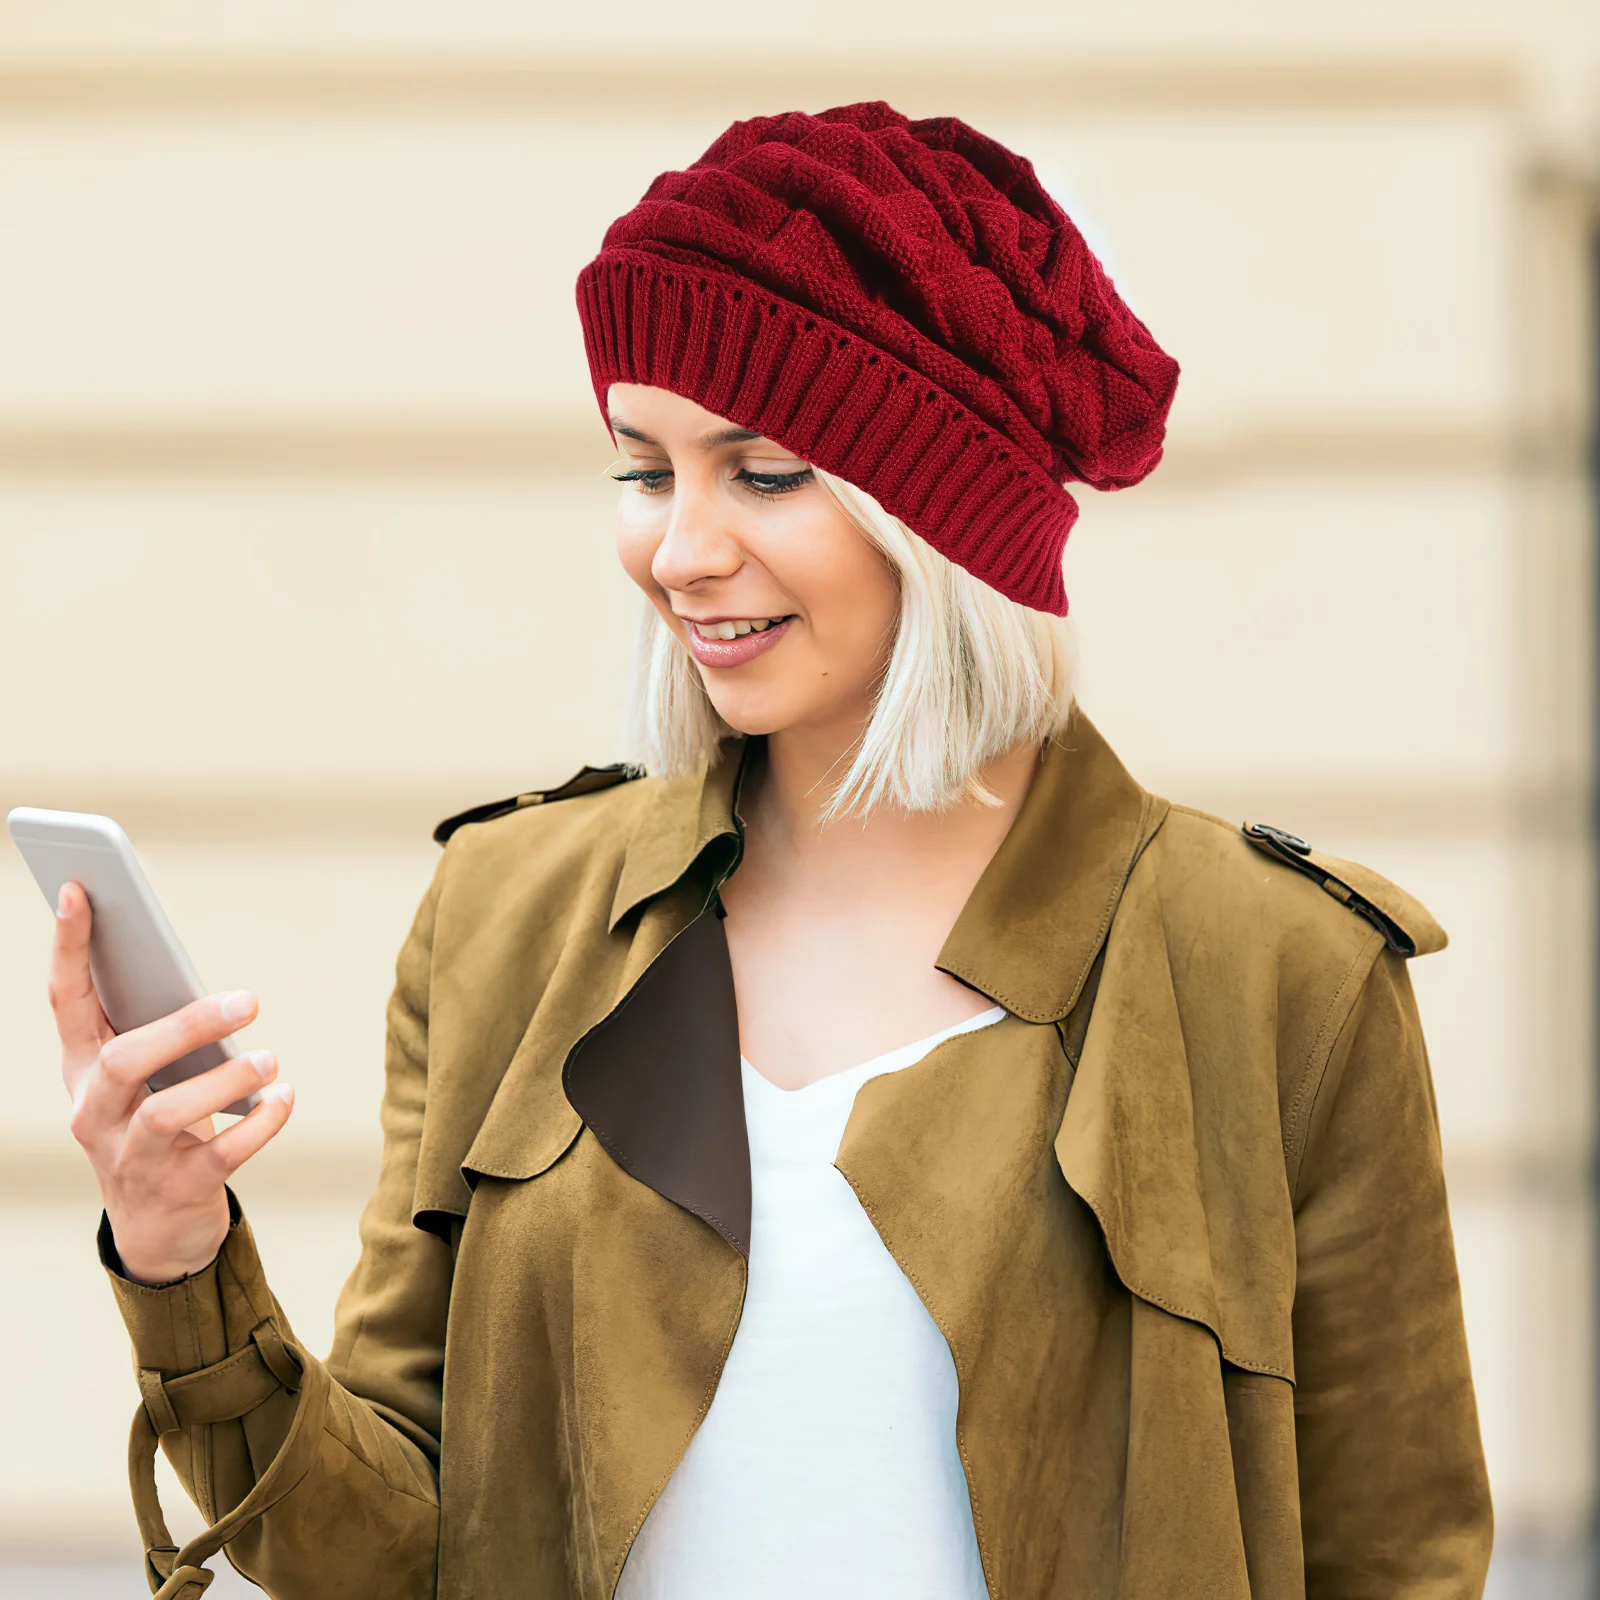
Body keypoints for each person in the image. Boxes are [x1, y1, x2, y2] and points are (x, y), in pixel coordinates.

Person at [50, 103, 1491, 1600]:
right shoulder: (509, 914)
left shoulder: (1280, 970)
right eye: (645, 470)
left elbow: (1400, 1563)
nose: (679, 551)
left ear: (942, 518)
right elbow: (393, 1550)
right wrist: (179, 1255)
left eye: (764, 471)